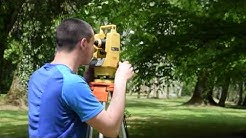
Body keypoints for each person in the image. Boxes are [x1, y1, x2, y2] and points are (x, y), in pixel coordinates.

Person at [28, 18, 134, 138]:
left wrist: (86, 80)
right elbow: (112, 129)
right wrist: (121, 79)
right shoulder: (71, 84)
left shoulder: (38, 75)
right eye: (93, 43)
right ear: (83, 43)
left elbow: (59, 109)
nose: (95, 49)